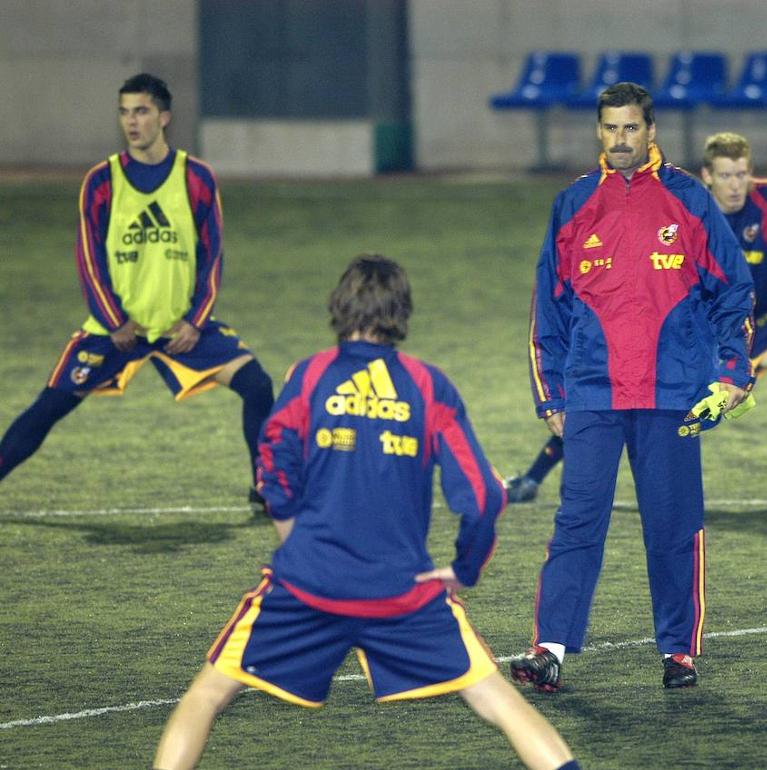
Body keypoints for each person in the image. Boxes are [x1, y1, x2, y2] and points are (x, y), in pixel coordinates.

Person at [153, 255, 580, 770]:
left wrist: (294, 536)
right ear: (402, 312)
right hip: (400, 589)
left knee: (208, 695)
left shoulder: (309, 376)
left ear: (339, 305)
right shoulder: (428, 385)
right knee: (498, 702)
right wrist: (464, 568)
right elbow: (484, 495)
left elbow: (272, 466)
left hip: (308, 581)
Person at [508, 83, 755, 691]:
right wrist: (551, 393)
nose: (620, 139)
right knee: (577, 522)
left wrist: (732, 371)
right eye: (610, 128)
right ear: (599, 131)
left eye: (631, 128)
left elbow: (735, 291)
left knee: (672, 524)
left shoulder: (689, 199)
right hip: (592, 391)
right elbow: (550, 305)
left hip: (673, 391)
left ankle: (678, 651)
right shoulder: (572, 204)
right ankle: (551, 648)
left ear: (650, 130)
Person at [505, 131, 767, 507]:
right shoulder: (685, 208)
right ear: (706, 176)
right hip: (705, 339)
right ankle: (533, 477)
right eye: (726, 176)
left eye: (742, 175)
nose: (735, 185)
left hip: (761, 330)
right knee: (624, 398)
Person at [0, 73, 274, 512]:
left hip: (180, 329)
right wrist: (114, 323)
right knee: (48, 406)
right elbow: (89, 261)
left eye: (142, 111)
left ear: (164, 117)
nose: (132, 121)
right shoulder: (101, 181)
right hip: (115, 331)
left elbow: (213, 257)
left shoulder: (197, 178)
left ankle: (264, 488)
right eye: (125, 112)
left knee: (257, 385)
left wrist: (195, 322)